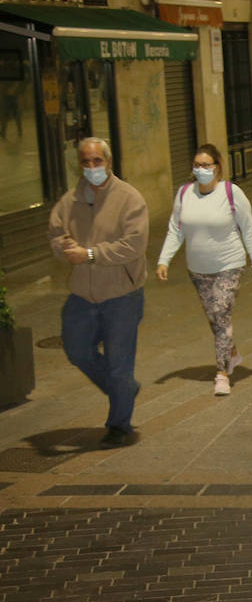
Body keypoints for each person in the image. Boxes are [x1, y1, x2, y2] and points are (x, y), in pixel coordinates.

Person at [47, 137, 149, 448]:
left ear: (108, 162)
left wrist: (91, 254)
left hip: (122, 295)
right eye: (86, 162)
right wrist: (65, 248)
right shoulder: (70, 201)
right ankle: (124, 389)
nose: (91, 167)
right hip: (82, 295)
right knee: (77, 350)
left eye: (97, 161)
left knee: (119, 363)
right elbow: (55, 234)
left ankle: (119, 424)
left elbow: (134, 245)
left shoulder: (130, 199)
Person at [157, 144, 252, 395]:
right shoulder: (185, 193)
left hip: (229, 264)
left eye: (206, 165)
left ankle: (222, 373)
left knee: (220, 311)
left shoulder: (231, 192)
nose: (201, 170)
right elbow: (176, 229)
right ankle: (233, 353)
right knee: (215, 319)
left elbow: (248, 230)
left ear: (217, 167)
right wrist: (164, 259)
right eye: (197, 165)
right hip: (198, 268)